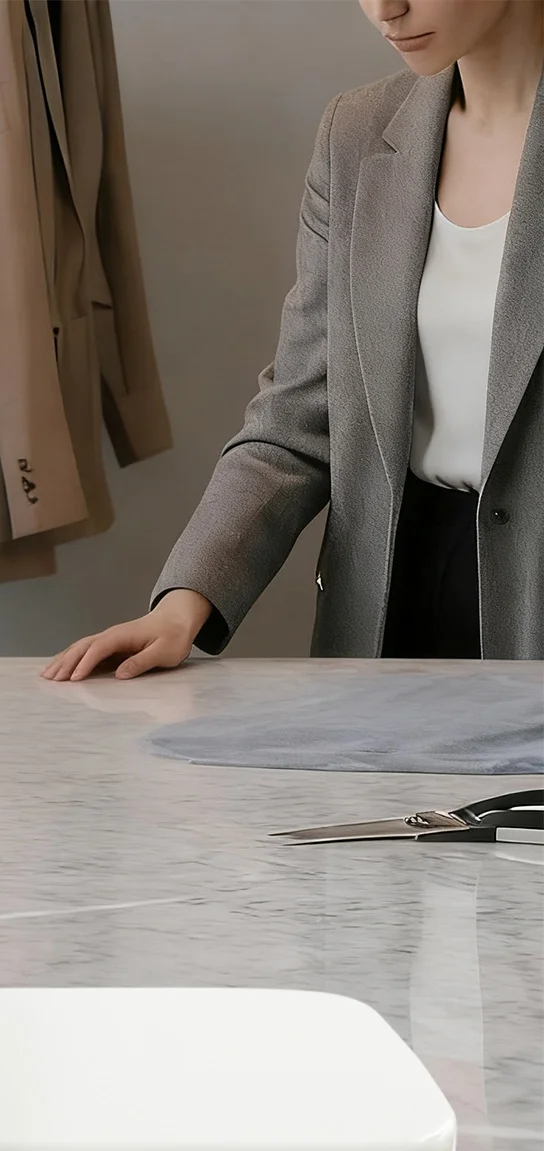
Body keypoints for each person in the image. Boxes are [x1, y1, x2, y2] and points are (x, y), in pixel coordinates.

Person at [44, 0, 543, 682]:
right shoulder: (357, 133)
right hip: (388, 601)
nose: (385, 10)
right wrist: (182, 604)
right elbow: (299, 413)